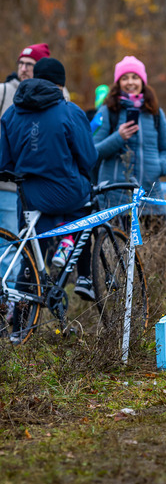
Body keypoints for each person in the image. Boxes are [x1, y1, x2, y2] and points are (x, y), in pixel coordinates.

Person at [0, 57, 98, 300]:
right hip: (65, 192)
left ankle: (19, 330)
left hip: (27, 198)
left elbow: (4, 161)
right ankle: (73, 250)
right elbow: (88, 157)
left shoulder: (12, 111)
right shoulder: (69, 111)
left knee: (30, 260)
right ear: (60, 85)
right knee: (90, 196)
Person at [92, 55, 166, 232]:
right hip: (115, 200)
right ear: (118, 82)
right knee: (117, 256)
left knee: (157, 254)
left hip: (151, 198)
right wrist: (118, 137)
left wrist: (161, 167)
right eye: (125, 78)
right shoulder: (107, 111)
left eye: (135, 77)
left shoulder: (155, 112)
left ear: (142, 82)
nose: (130, 82)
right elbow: (93, 152)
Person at [0, 44, 52, 233]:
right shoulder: (3, 91)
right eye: (20, 63)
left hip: (35, 186)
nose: (23, 68)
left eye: (29, 64)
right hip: (5, 183)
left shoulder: (56, 95)